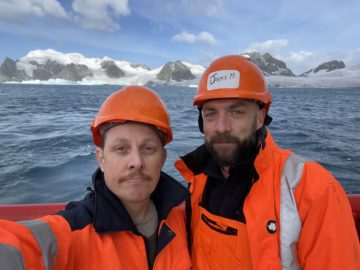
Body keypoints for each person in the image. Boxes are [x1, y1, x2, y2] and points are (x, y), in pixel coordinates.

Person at [174, 55, 360, 269]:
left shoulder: (312, 190)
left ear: (260, 117)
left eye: (236, 112)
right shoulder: (197, 180)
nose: (221, 127)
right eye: (211, 114)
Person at [0, 86, 191, 269]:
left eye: (148, 149)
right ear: (101, 159)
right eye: (121, 149)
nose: (136, 162)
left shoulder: (181, 217)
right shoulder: (73, 231)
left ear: (163, 158)